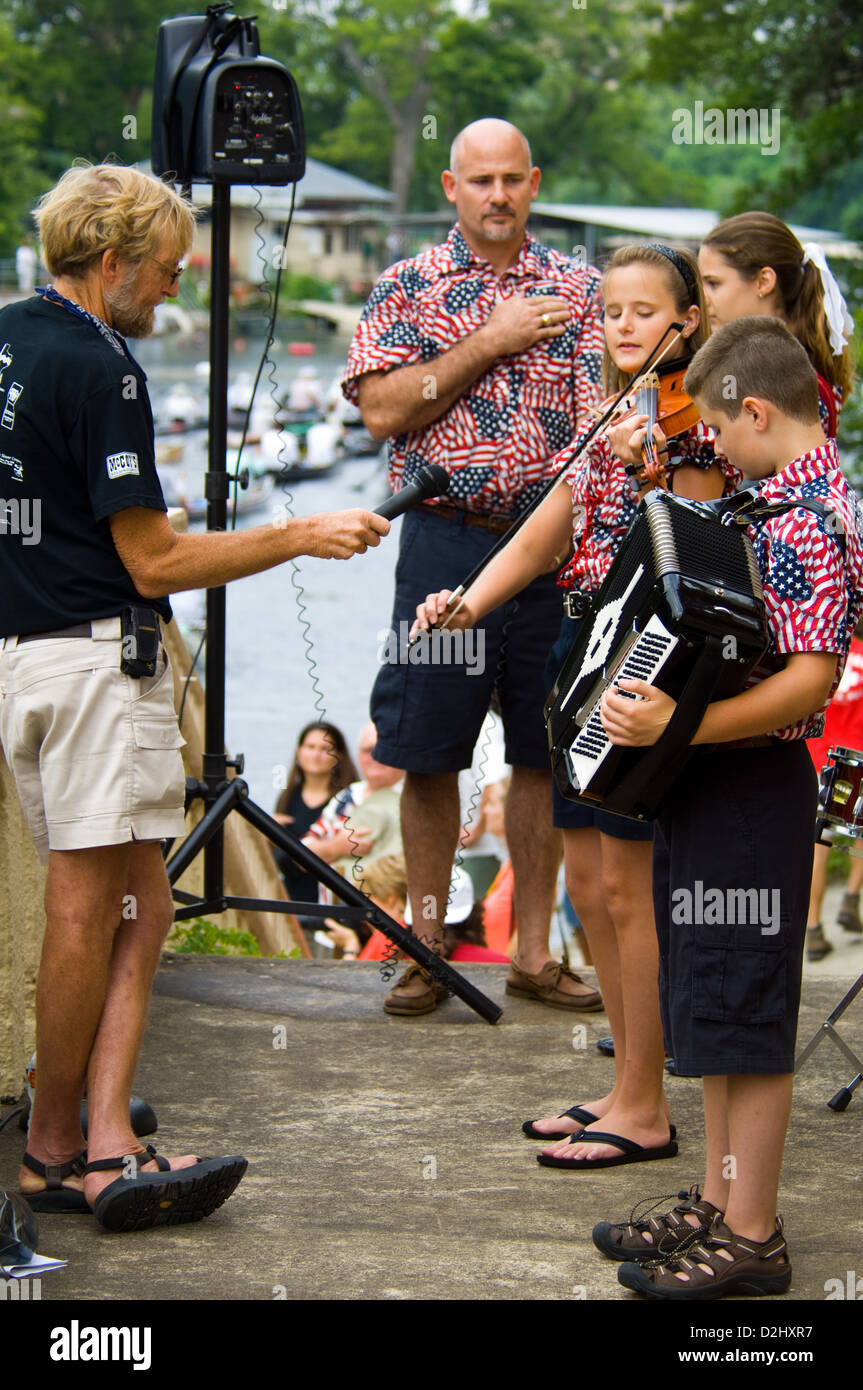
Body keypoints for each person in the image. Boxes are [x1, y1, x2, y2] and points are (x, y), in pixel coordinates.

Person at [0, 162, 388, 1232]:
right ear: (112, 260)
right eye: (167, 272)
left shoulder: (5, 337)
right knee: (94, 908)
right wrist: (302, 532)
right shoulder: (103, 365)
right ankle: (66, 1149)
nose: (173, 293)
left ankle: (97, 1121)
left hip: (22, 663)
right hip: (93, 669)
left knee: (145, 900)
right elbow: (156, 561)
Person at [415, 243, 734, 1167]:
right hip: (579, 646)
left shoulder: (696, 426)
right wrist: (467, 600)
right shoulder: (607, 416)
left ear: (688, 322)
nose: (623, 326)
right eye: (610, 312)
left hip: (642, 656)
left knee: (630, 889)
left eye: (644, 311)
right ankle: (623, 1086)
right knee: (591, 885)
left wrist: (650, 475)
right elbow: (546, 529)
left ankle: (647, 1105)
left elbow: (691, 558)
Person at [592, 316, 863, 1299]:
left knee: (744, 1004)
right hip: (722, 784)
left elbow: (807, 684)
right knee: (711, 991)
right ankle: (719, 1195)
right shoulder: (775, 500)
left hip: (753, 787)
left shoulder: (808, 520)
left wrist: (674, 728)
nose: (710, 450)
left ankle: (750, 1234)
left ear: (755, 410)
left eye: (717, 433)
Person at [343, 117, 605, 1016]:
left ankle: (533, 952)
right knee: (426, 746)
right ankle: (424, 943)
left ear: (533, 182)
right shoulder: (407, 286)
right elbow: (380, 410)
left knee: (543, 752)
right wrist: (487, 340)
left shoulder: (582, 288)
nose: (497, 195)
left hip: (556, 547)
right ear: (451, 189)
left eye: (511, 180)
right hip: (443, 539)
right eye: (478, 181)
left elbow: (606, 422)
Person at [698, 211, 854, 439]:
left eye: (713, 283)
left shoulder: (789, 380)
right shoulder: (753, 365)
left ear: (764, 281)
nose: (704, 299)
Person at [805, 621, 863, 959]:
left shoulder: (833, 655)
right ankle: (852, 897)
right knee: (859, 835)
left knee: (819, 846)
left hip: (820, 761)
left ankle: (812, 930)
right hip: (856, 764)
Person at [272, 721, 358, 905]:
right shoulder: (287, 797)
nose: (316, 755)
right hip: (292, 902)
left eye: (325, 748)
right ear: (299, 751)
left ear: (339, 755)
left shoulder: (346, 803)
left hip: (332, 906)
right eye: (310, 747)